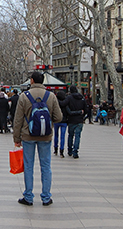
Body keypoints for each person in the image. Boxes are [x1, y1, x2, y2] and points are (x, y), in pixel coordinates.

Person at [14, 72, 63, 206]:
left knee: (28, 166)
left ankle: (28, 196)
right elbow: (59, 117)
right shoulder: (51, 96)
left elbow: (17, 119)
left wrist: (16, 138)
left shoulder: (24, 96)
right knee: (46, 166)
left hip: (27, 135)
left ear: (31, 80)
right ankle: (46, 197)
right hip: (45, 136)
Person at [62, 86, 87, 158]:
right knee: (77, 136)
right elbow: (86, 109)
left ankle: (70, 150)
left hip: (71, 120)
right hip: (79, 120)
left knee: (70, 135)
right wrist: (82, 116)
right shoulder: (82, 98)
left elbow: (63, 104)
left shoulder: (69, 98)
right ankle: (75, 151)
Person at [54, 90, 68, 158]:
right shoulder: (66, 103)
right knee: (62, 136)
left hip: (56, 121)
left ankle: (55, 148)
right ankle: (61, 151)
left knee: (56, 135)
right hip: (64, 121)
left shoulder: (56, 103)